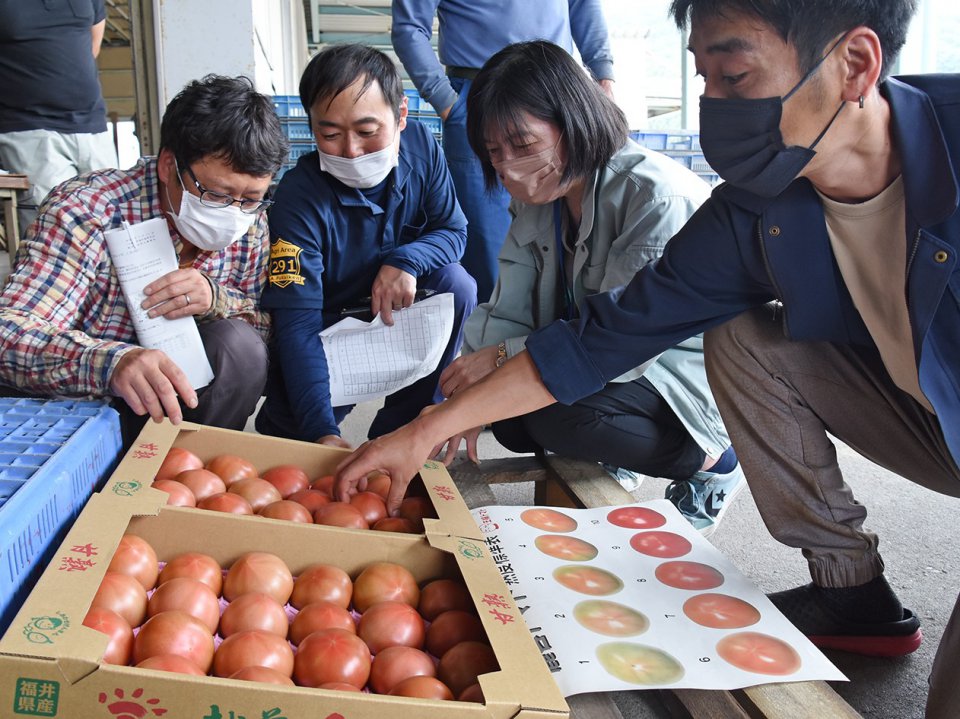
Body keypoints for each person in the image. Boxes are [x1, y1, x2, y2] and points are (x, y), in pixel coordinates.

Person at [337, 1, 960, 715]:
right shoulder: (756, 210)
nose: (712, 109)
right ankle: (853, 594)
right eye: (703, 80)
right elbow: (602, 337)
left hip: (707, 398)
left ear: (855, 64)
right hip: (930, 416)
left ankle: (709, 467)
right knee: (743, 335)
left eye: (733, 75)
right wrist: (421, 430)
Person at [436, 41, 744, 534]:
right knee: (513, 418)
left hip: (684, 372)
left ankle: (716, 463)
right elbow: (509, 305)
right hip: (607, 355)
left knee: (558, 413)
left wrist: (496, 365)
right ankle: (621, 452)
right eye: (494, 152)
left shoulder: (653, 198)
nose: (508, 166)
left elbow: (622, 346)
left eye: (523, 144)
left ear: (572, 121)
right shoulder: (546, 192)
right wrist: (465, 397)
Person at [0, 75, 288, 441]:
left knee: (240, 347)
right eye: (215, 195)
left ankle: (189, 467)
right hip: (74, 407)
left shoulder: (252, 224)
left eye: (250, 199)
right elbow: (10, 331)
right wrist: (111, 362)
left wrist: (215, 299)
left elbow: (265, 328)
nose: (233, 213)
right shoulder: (89, 209)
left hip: (175, 404)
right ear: (169, 166)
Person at [254, 44, 476, 448]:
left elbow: (454, 230)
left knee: (457, 286)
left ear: (402, 116)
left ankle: (402, 433)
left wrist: (406, 260)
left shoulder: (422, 148)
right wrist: (322, 432)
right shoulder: (298, 199)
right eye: (330, 134)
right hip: (329, 332)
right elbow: (298, 324)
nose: (351, 151)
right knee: (293, 439)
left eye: (367, 132)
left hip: (398, 312)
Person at [392, 0, 615, 303]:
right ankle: (494, 339)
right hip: (480, 93)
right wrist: (448, 103)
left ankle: (558, 334)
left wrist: (603, 77)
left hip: (554, 90)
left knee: (570, 225)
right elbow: (409, 28)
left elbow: (583, 5)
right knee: (488, 246)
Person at [0, 0, 118, 233]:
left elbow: (92, 46)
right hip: (30, 130)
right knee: (55, 232)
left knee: (115, 225)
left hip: (93, 127)